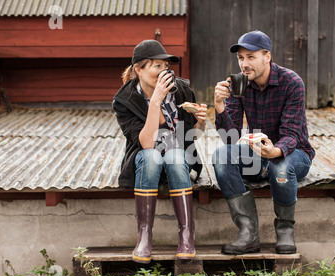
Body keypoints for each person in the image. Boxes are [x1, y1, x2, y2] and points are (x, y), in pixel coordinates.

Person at [212, 31, 315, 255]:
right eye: (241, 58)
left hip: (295, 153)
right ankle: (248, 233)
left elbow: (292, 133)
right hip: (258, 152)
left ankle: (285, 229)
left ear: (267, 56)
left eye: (251, 57)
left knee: (281, 165)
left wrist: (275, 151)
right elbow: (231, 137)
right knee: (222, 156)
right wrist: (219, 105)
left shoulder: (292, 82)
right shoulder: (240, 84)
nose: (244, 64)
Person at [112, 40, 207, 263]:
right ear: (139, 69)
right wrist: (155, 102)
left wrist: (201, 123)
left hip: (179, 164)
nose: (164, 71)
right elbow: (145, 143)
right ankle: (144, 235)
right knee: (152, 154)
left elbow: (191, 138)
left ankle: (186, 234)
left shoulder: (182, 91)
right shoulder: (124, 101)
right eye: (157, 66)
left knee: (174, 154)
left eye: (166, 66)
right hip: (148, 166)